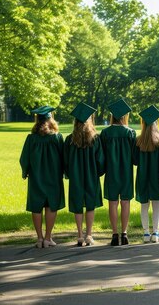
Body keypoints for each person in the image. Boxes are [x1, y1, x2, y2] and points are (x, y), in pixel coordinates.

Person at [20, 106, 65, 248]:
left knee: (37, 206)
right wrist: (64, 171)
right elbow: (64, 158)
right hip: (53, 176)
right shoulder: (57, 138)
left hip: (36, 176)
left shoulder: (31, 138)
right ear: (51, 119)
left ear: (37, 120)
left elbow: (24, 158)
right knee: (51, 205)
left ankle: (39, 239)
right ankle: (48, 237)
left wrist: (25, 171)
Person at [64, 102, 104, 246]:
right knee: (90, 205)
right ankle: (89, 235)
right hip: (91, 176)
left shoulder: (69, 140)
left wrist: (70, 173)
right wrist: (97, 172)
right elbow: (100, 161)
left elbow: (65, 161)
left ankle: (80, 235)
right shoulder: (95, 139)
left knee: (78, 205)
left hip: (76, 177)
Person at [100, 99, 136, 246]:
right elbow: (135, 157)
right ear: (124, 117)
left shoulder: (105, 133)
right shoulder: (130, 133)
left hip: (112, 172)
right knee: (126, 202)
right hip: (126, 172)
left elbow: (101, 155)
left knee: (113, 202)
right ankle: (125, 234)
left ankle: (115, 235)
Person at [133, 105, 159, 243]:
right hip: (156, 176)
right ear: (156, 123)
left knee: (144, 205)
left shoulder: (138, 141)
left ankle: (146, 233)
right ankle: (156, 233)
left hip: (142, 176)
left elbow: (134, 161)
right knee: (156, 205)